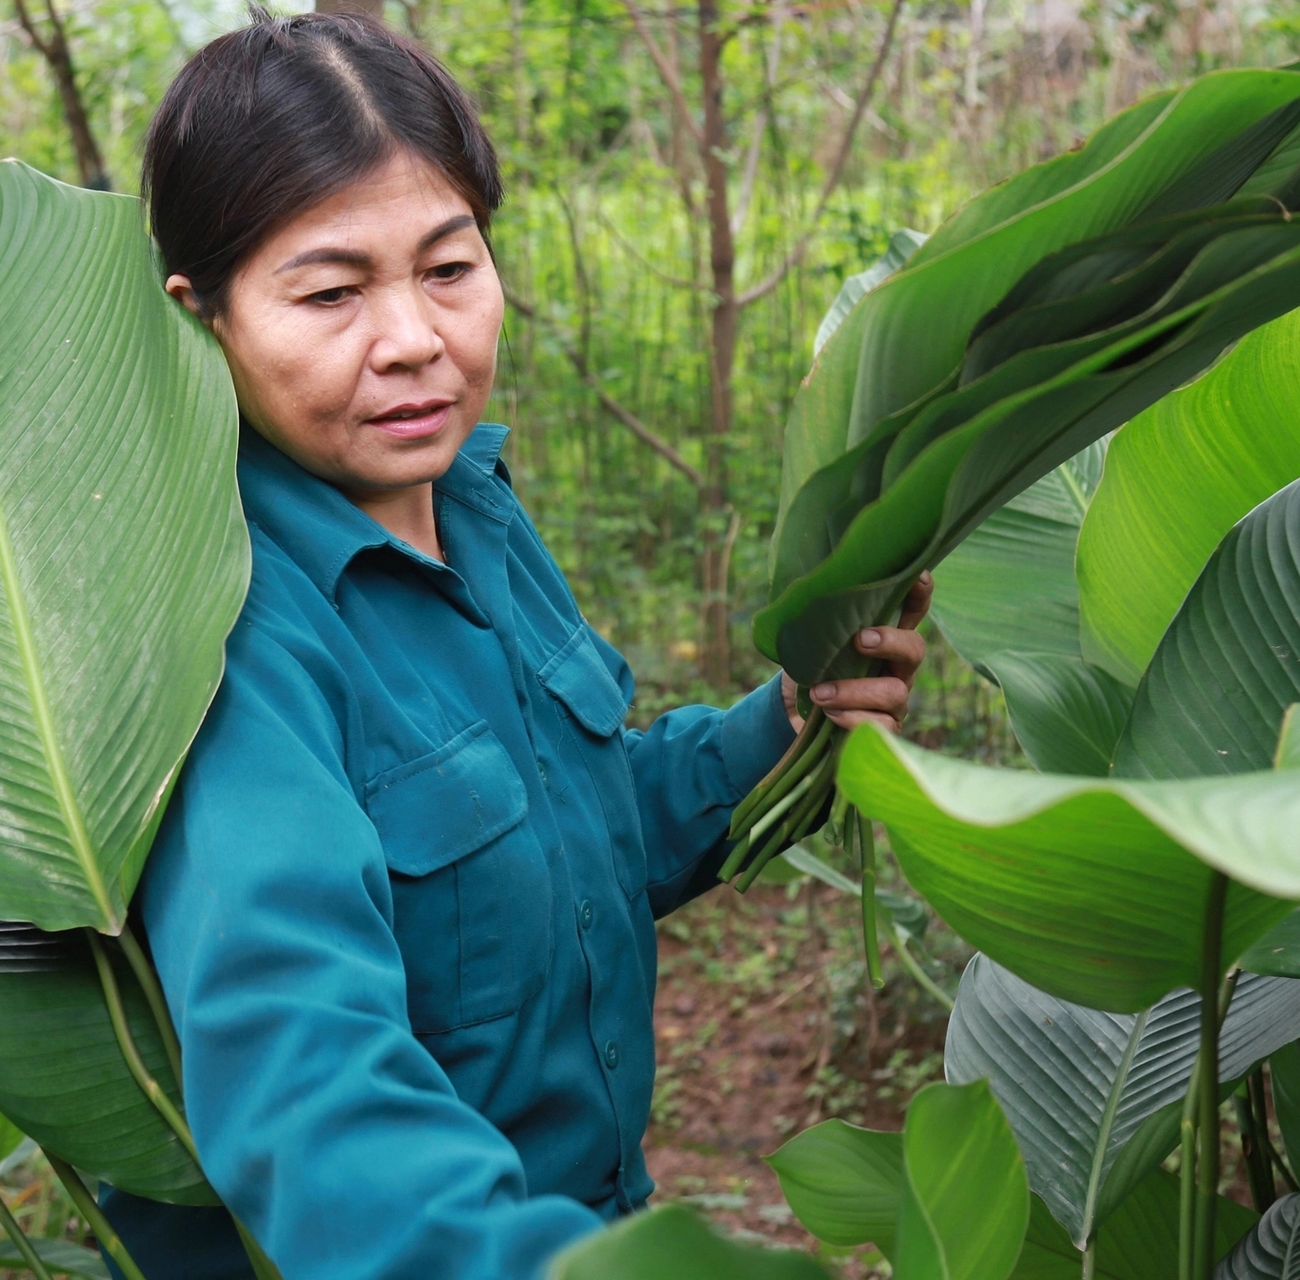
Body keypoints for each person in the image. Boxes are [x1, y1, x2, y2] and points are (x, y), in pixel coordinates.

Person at [102, 10, 931, 1278]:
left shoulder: (470, 506)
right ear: (204, 313)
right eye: (330, 292)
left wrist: (786, 720)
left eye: (448, 267)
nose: (412, 339)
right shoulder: (225, 633)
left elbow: (580, 826)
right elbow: (311, 1094)